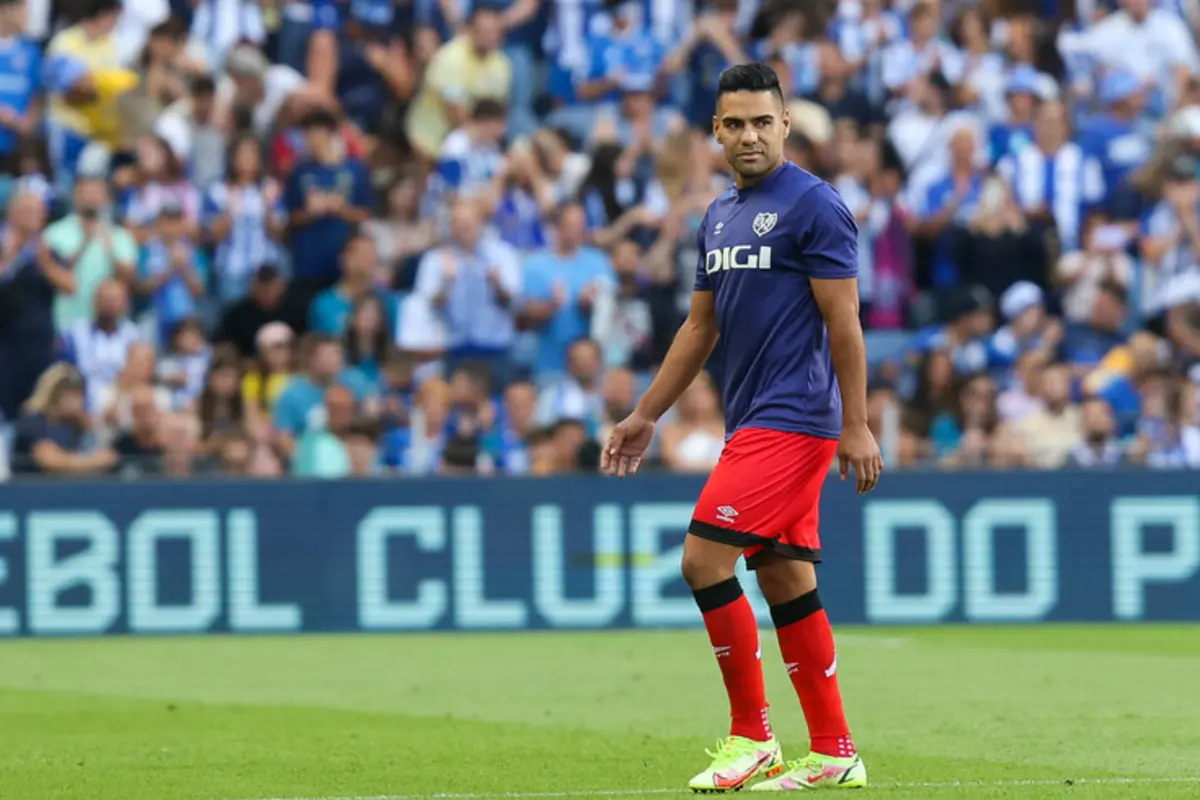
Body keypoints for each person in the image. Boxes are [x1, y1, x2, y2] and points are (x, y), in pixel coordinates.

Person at [601, 62, 882, 792]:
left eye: (763, 121)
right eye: (736, 123)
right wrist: (646, 414)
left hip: (796, 417)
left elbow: (844, 320)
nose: (750, 135)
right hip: (753, 416)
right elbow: (700, 327)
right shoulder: (719, 215)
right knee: (784, 577)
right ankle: (835, 751)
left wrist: (856, 424)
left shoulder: (815, 206)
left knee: (702, 561)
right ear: (716, 132)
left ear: (785, 124)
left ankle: (752, 736)